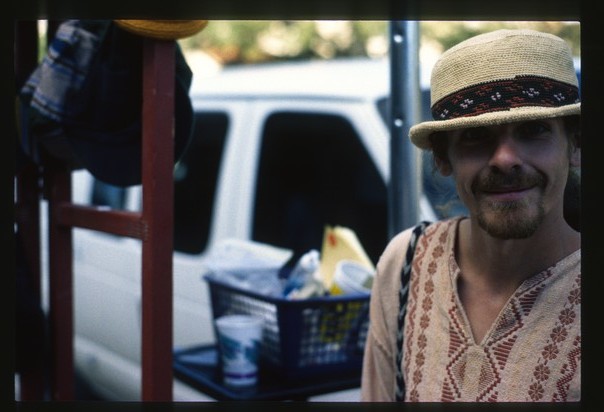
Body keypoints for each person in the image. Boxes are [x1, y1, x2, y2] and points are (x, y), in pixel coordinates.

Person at [360, 29, 580, 402]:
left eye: (533, 130)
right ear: (443, 158)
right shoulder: (407, 263)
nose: (505, 159)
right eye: (476, 136)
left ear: (575, 145)